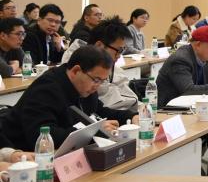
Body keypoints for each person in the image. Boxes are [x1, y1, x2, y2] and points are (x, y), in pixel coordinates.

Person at [0, 46, 138, 151]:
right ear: (76, 71)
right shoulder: (46, 89)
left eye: (102, 81)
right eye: (96, 80)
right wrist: (93, 132)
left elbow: (98, 111)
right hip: (23, 154)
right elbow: (43, 135)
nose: (97, 86)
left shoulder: (85, 86)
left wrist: (131, 116)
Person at [60, 16, 140, 110]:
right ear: (99, 45)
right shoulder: (80, 63)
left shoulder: (103, 60)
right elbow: (106, 101)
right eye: (118, 50)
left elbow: (123, 85)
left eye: (122, 51)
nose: (119, 56)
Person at [155, 26, 208, 107]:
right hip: (169, 110)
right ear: (198, 44)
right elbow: (188, 90)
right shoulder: (180, 60)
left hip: (191, 107)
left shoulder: (202, 57)